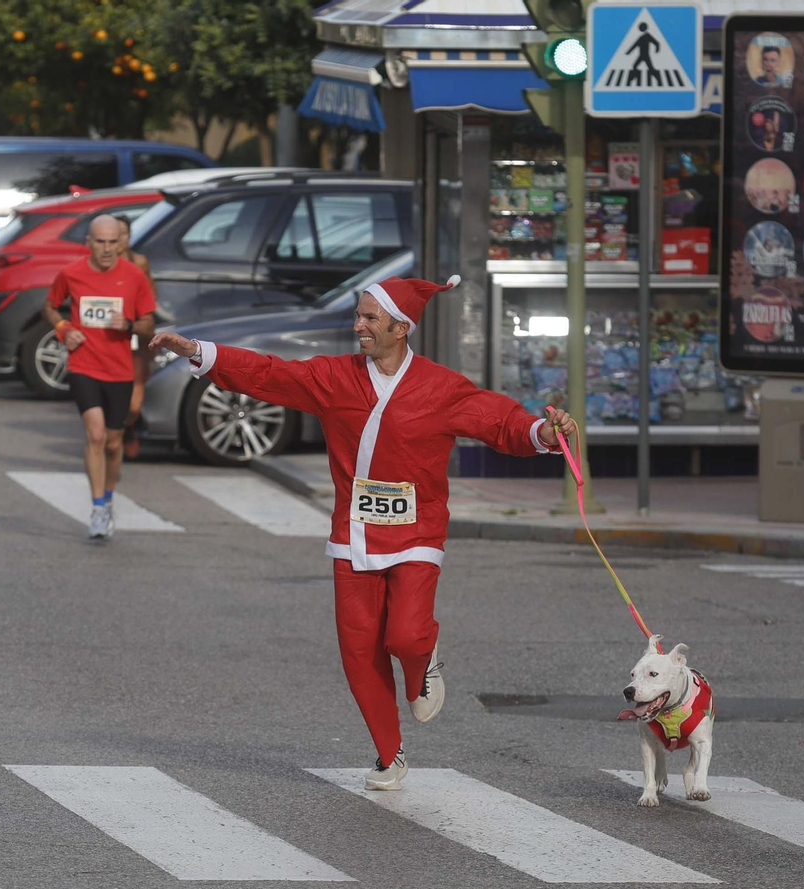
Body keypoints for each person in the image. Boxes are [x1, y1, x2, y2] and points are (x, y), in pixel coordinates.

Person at [149, 276, 577, 791]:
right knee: (358, 651)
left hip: (417, 530)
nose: (358, 326)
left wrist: (540, 432)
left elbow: (498, 421)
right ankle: (389, 754)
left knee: (405, 635)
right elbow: (269, 373)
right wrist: (199, 352)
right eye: (358, 315)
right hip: (353, 533)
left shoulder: (441, 387)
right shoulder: (335, 377)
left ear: (401, 328)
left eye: (371, 317)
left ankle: (422, 662)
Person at [43, 215, 156, 539]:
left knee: (114, 442)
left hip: (119, 369)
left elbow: (149, 324)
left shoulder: (134, 275)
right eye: (100, 242)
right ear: (89, 243)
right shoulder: (71, 273)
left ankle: (108, 497)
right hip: (84, 365)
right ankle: (97, 509)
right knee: (95, 434)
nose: (107, 249)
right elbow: (49, 306)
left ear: (120, 243)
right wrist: (64, 329)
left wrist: (130, 325)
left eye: (112, 242)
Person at [117, 215, 153, 459]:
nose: (118, 240)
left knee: (134, 396)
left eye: (122, 234)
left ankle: (128, 427)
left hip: (134, 332)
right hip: (105, 338)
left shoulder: (139, 263)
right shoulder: (96, 265)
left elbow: (150, 298)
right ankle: (111, 434)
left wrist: (138, 322)